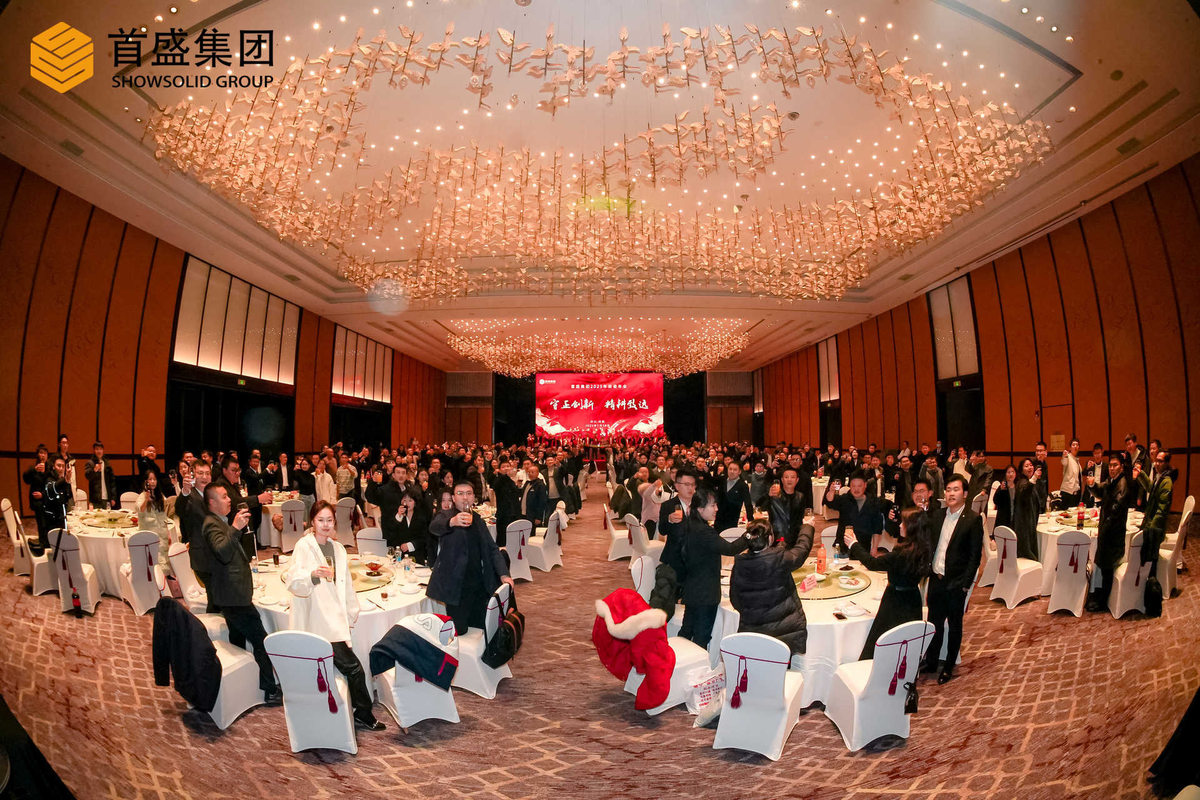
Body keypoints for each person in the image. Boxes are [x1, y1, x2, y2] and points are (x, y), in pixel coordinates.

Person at [287, 501, 385, 731]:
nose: (325, 525)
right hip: (318, 621)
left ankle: (352, 709)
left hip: (334, 616)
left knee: (349, 667)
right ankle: (363, 712)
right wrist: (312, 575)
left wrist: (351, 611)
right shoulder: (304, 546)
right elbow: (293, 582)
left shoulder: (338, 548)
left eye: (329, 520)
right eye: (320, 520)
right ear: (312, 522)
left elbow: (346, 583)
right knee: (354, 668)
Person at [202, 483, 282, 705]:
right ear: (212, 502)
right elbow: (222, 552)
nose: (230, 499)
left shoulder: (220, 521)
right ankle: (269, 689)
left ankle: (241, 683)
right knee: (261, 640)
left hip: (232, 594)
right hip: (233, 596)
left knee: (237, 638)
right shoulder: (210, 524)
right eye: (224, 497)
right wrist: (236, 528)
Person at [427, 482, 514, 635]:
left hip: (479, 584)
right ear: (454, 498)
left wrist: (504, 574)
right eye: (460, 494)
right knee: (459, 631)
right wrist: (452, 522)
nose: (465, 497)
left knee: (483, 628)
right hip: (456, 586)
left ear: (474, 497)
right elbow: (434, 527)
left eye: (468, 493)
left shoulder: (478, 520)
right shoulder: (446, 516)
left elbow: (492, 549)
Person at [844, 509, 932, 659]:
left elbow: (872, 563)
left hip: (895, 602)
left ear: (911, 528)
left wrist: (854, 544)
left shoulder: (902, 554)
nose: (900, 525)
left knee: (884, 640)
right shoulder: (923, 548)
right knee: (907, 640)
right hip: (913, 598)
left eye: (904, 523)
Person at [923, 475, 983, 685]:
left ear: (965, 494)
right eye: (948, 489)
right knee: (934, 623)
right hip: (936, 579)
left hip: (956, 583)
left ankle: (948, 665)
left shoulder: (972, 519)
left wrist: (965, 585)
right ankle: (931, 661)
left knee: (955, 626)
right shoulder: (938, 515)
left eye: (955, 489)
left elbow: (975, 556)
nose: (950, 493)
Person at [676, 487, 750, 649]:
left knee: (686, 632)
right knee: (701, 638)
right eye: (712, 505)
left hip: (692, 588)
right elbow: (730, 549)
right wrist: (749, 535)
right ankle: (696, 664)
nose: (716, 509)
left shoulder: (689, 525)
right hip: (705, 593)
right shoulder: (704, 532)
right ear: (700, 508)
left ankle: (677, 661)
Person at [728, 518, 813, 659]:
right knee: (781, 668)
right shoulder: (780, 558)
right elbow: (801, 550)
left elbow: (735, 600)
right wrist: (807, 527)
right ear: (770, 538)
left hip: (753, 632)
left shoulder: (740, 563)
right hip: (784, 633)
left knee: (757, 667)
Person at [1084, 455, 1134, 612]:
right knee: (1102, 565)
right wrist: (1092, 485)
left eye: (1115, 465)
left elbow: (1115, 512)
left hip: (1113, 534)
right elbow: (1100, 491)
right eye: (1110, 465)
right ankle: (1098, 597)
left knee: (1106, 567)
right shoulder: (1112, 481)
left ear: (1121, 467)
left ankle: (1102, 601)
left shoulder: (1122, 484)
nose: (1112, 468)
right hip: (1107, 531)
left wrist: (1103, 531)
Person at [212, 455, 272, 561]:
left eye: (238, 470)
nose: (237, 473)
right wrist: (258, 499)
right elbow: (235, 502)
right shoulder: (221, 485)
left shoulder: (231, 483)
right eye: (233, 470)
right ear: (224, 470)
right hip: (232, 529)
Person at [822, 469, 889, 552]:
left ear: (865, 485)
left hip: (863, 547)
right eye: (853, 486)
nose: (856, 489)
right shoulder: (845, 499)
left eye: (859, 486)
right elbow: (830, 502)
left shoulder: (873, 502)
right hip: (843, 547)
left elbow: (877, 528)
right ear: (850, 486)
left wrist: (874, 548)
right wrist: (831, 491)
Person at [1134, 450, 1173, 587]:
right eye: (1156, 460)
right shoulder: (1159, 477)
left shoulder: (1166, 482)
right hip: (1151, 526)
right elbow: (1151, 488)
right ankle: (1146, 586)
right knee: (1148, 559)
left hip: (1155, 529)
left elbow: (1162, 509)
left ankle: (1151, 589)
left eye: (1160, 461)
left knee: (1151, 561)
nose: (1156, 463)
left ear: (1166, 463)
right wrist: (1141, 474)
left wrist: (1150, 528)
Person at [756, 466, 807, 545]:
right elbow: (759, 506)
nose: (789, 480)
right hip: (777, 537)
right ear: (782, 480)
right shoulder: (774, 494)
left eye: (792, 477)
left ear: (797, 480)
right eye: (786, 477)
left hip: (795, 538)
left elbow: (800, 518)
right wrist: (768, 496)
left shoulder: (800, 496)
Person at [137, 469, 173, 576]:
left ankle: (163, 581)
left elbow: (164, 516)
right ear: (146, 482)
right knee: (152, 561)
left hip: (161, 533)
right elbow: (140, 510)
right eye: (150, 479)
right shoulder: (142, 496)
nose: (152, 482)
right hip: (149, 533)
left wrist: (168, 533)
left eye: (154, 479)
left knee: (164, 560)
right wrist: (146, 500)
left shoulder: (160, 495)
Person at [1012, 458, 1044, 561]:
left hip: (1029, 522)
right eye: (1026, 466)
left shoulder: (1029, 482)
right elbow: (1025, 494)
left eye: (1031, 465)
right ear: (1021, 470)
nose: (1030, 467)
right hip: (1024, 526)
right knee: (1028, 553)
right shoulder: (1022, 482)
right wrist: (1034, 478)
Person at [715, 461, 753, 532]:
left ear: (739, 472)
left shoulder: (743, 485)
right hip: (718, 519)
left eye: (735, 470)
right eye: (730, 469)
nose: (732, 471)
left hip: (732, 520)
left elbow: (748, 503)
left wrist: (750, 519)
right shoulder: (722, 481)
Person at [84, 441, 117, 511]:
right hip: (95, 499)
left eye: (100, 449)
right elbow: (87, 476)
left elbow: (112, 482)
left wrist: (113, 497)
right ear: (94, 451)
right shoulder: (90, 463)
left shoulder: (107, 464)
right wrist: (94, 470)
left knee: (106, 517)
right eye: (97, 449)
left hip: (107, 498)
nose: (99, 451)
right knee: (95, 517)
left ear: (103, 450)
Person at [993, 464, 1019, 530]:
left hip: (1015, 519)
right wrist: (1000, 490)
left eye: (1013, 472)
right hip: (1003, 519)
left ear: (1016, 474)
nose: (1011, 474)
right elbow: (995, 501)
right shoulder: (1003, 487)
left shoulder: (1018, 486)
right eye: (1008, 472)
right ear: (1005, 474)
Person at [1060, 439, 1083, 508]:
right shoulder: (1068, 457)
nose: (1075, 446)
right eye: (1073, 445)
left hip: (1075, 493)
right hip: (1067, 492)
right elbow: (1064, 462)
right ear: (1070, 448)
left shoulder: (1076, 460)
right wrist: (1064, 456)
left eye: (1077, 445)